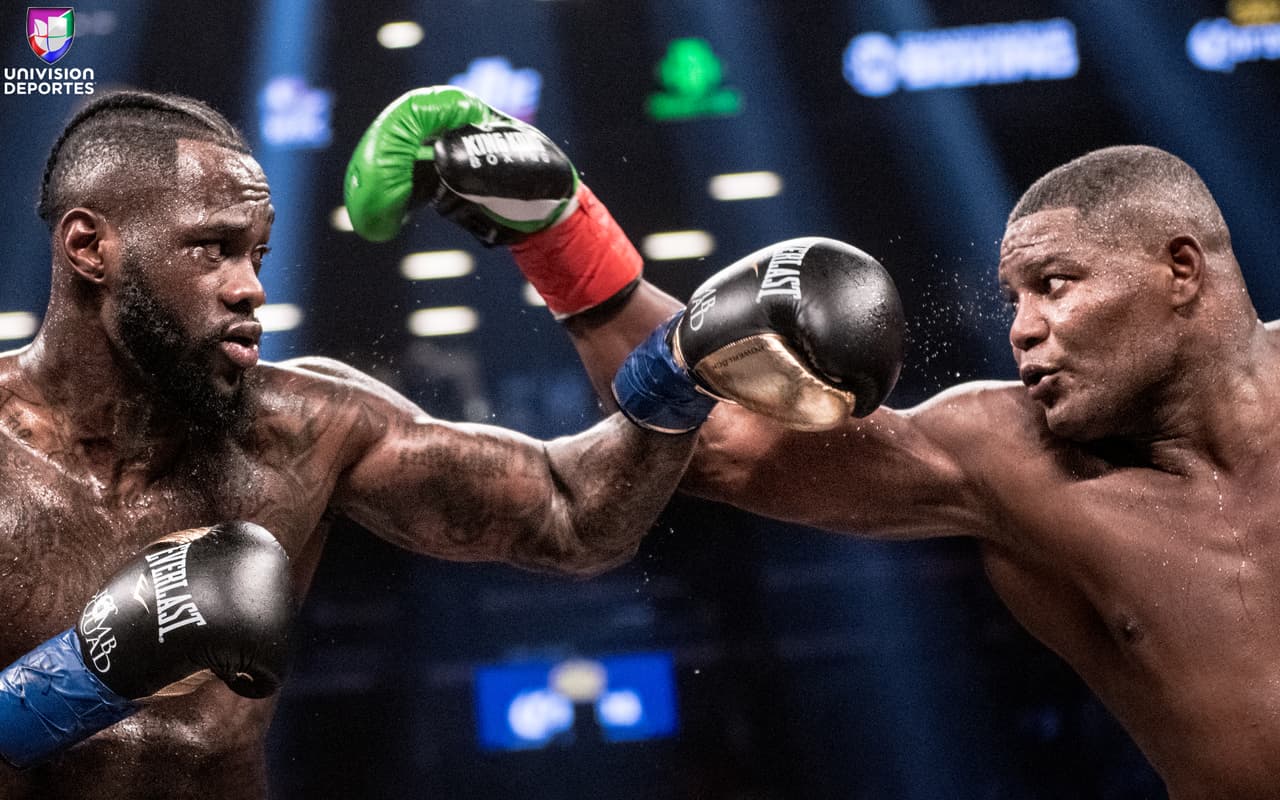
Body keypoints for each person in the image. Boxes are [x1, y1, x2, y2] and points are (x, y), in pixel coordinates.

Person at [349, 86, 1280, 800]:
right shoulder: (1011, 457)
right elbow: (720, 441)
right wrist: (562, 235)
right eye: (1012, 300)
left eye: (1055, 284)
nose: (1023, 329)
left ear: (1181, 270)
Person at [0, 90, 901, 798]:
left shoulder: (302, 428)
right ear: (90, 249)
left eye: (259, 254)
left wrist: (678, 370)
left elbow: (568, 512)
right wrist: (63, 686)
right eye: (213, 250)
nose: (250, 290)